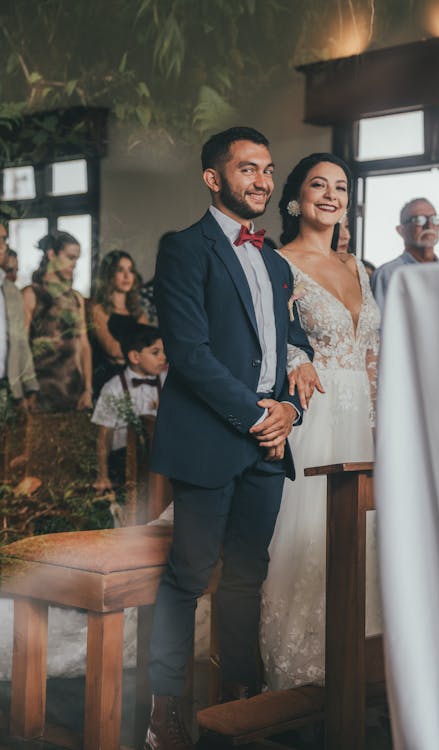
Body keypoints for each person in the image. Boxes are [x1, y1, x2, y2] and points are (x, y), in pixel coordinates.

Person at [144, 126, 313, 750]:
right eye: (248, 169)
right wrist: (258, 416)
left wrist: (289, 411)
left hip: (268, 445)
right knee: (188, 577)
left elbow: (294, 348)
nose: (262, 181)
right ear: (214, 178)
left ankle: (238, 700)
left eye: (267, 170)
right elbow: (189, 355)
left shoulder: (273, 260)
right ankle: (165, 710)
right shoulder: (184, 249)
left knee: (247, 574)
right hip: (211, 441)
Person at [259, 153, 381, 691]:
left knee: (367, 539)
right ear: (295, 197)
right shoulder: (276, 261)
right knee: (308, 538)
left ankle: (366, 662)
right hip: (314, 414)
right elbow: (266, 335)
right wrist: (294, 357)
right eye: (318, 185)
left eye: (340, 187)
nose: (330, 195)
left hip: (365, 420)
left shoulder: (361, 268)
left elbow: (374, 352)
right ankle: (299, 672)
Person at [92, 321, 167, 493]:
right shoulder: (114, 387)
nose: (163, 357)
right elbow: (104, 435)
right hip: (124, 459)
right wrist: (102, 475)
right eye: (156, 353)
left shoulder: (166, 381)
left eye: (164, 352)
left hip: (160, 458)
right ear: (135, 357)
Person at [22, 231, 92, 412]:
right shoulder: (31, 294)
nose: (74, 264)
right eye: (70, 257)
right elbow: (21, 347)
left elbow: (84, 345)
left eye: (76, 259)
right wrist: (27, 392)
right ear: (51, 254)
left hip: (73, 392)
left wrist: (88, 389)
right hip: (41, 392)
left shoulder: (76, 298)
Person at [89, 250, 147, 397]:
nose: (127, 276)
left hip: (136, 379)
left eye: (130, 270)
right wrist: (140, 355)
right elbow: (112, 349)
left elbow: (150, 348)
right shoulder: (98, 310)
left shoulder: (138, 313)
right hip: (108, 379)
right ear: (109, 275)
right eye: (120, 270)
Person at [370, 197, 439, 311]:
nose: (429, 225)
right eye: (419, 220)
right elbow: (381, 326)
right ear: (401, 230)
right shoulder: (388, 274)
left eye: (434, 219)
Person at [0, 225, 38, 422]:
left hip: (8, 389)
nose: (13, 276)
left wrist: (30, 388)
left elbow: (21, 342)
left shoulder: (13, 294)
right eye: (9, 270)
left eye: (16, 270)